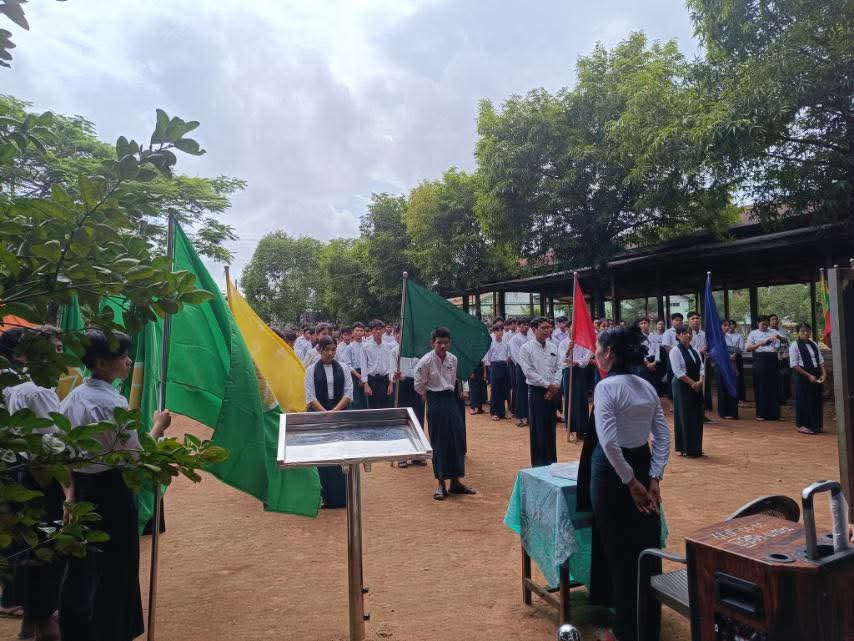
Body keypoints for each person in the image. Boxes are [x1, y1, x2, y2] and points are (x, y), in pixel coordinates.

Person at [59, 329, 171, 641]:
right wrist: (158, 426)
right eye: (122, 357)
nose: (128, 362)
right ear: (101, 363)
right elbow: (135, 457)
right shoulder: (112, 403)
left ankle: (78, 632)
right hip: (111, 491)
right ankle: (111, 631)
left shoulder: (72, 398)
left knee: (82, 567)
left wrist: (70, 494)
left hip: (82, 489)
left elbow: (61, 453)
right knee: (116, 568)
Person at [590, 327, 670, 641]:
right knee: (645, 549)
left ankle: (624, 632)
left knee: (619, 554)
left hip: (613, 474)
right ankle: (648, 628)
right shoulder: (646, 386)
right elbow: (662, 435)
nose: (596, 353)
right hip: (642, 464)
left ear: (610, 352)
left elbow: (609, 443)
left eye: (598, 348)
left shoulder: (606, 387)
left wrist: (631, 482)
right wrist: (654, 477)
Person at [0, 327, 66, 641]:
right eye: (55, 347)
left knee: (31, 544)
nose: (60, 352)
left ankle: (32, 621)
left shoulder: (20, 384)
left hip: (25, 468)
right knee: (46, 546)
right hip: (44, 472)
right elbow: (58, 438)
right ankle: (43, 619)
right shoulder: (36, 389)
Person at [414, 328, 475, 501]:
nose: (442, 346)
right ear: (432, 343)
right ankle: (441, 483)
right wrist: (428, 396)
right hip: (434, 400)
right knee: (439, 441)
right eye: (439, 342)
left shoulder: (453, 359)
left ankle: (455, 482)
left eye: (446, 342)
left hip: (451, 399)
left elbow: (455, 379)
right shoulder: (425, 361)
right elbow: (418, 384)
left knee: (456, 438)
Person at [305, 336, 353, 507]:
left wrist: (334, 412)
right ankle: (323, 496)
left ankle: (341, 497)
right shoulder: (311, 370)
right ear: (320, 350)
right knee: (322, 455)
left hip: (339, 414)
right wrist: (325, 413)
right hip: (319, 416)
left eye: (333, 350)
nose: (331, 353)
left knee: (340, 454)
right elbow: (310, 397)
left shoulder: (344, 368)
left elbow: (348, 393)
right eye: (327, 350)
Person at [518, 317, 561, 466]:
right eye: (543, 328)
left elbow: (559, 368)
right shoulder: (526, 348)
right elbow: (528, 372)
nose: (547, 330)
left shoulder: (553, 347)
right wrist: (547, 385)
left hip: (553, 391)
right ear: (534, 329)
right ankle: (539, 464)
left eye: (549, 327)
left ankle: (551, 462)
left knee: (551, 427)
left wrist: (555, 385)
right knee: (538, 429)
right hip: (536, 391)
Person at [391, 329, 427, 467]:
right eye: (400, 333)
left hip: (417, 385)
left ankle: (418, 454)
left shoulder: (420, 351)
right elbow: (391, 372)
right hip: (402, 387)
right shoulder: (395, 351)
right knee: (403, 419)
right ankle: (403, 455)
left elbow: (422, 371)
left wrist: (423, 390)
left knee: (418, 418)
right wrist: (394, 376)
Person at [670, 326, 705, 457]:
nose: (688, 335)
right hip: (682, 386)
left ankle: (696, 447)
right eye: (684, 333)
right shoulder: (675, 351)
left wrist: (700, 381)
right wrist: (692, 383)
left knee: (697, 415)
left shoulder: (694, 350)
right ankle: (686, 448)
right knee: (685, 415)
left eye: (690, 333)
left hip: (697, 385)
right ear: (678, 336)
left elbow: (701, 367)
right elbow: (678, 371)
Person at [790, 322, 826, 435]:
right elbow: (794, 364)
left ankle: (815, 425)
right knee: (804, 400)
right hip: (802, 375)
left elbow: (820, 360)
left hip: (815, 373)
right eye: (802, 331)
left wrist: (824, 373)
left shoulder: (813, 344)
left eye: (807, 331)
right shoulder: (794, 345)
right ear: (798, 333)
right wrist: (808, 375)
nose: (805, 333)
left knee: (815, 400)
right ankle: (802, 425)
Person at [746, 315, 781, 421]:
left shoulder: (773, 332)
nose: (765, 326)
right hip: (760, 360)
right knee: (761, 387)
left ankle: (774, 414)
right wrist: (761, 343)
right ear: (758, 323)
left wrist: (779, 338)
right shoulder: (753, 333)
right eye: (763, 324)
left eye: (767, 324)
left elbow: (783, 342)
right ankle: (761, 413)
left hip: (772, 359)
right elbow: (748, 348)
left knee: (774, 387)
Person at [558, 335, 592, 442]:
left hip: (580, 372)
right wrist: (568, 350)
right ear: (568, 329)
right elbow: (562, 360)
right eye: (571, 328)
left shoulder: (583, 342)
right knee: (570, 399)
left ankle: (582, 430)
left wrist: (578, 362)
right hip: (568, 372)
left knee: (582, 399)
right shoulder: (563, 343)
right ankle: (571, 430)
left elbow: (587, 358)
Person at [360, 319, 394, 409]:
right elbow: (363, 366)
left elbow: (390, 366)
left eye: (380, 329)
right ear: (371, 331)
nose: (378, 331)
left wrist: (391, 383)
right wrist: (366, 384)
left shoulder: (388, 346)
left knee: (385, 408)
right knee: (373, 408)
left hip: (385, 381)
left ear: (383, 330)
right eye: (375, 329)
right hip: (372, 381)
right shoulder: (365, 347)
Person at [484, 323, 511, 421]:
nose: (500, 332)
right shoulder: (491, 344)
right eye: (497, 330)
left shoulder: (505, 344)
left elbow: (508, 355)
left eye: (501, 330)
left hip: (504, 366)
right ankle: (494, 412)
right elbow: (487, 358)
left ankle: (502, 412)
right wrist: (488, 369)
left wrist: (506, 362)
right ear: (494, 332)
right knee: (495, 390)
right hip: (495, 366)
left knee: (503, 389)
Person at [509, 318, 531, 427]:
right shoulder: (515, 339)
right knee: (521, 392)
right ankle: (520, 416)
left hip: (531, 368)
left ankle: (529, 415)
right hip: (521, 368)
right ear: (519, 326)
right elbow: (515, 355)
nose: (526, 327)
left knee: (529, 392)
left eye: (527, 325)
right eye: (523, 325)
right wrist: (525, 366)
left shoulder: (530, 337)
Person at [717, 320, 740, 419]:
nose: (727, 327)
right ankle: (724, 412)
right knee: (723, 388)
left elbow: (736, 349)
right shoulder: (716, 338)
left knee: (732, 387)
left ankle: (733, 412)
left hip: (731, 365)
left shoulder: (729, 337)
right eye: (725, 325)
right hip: (721, 366)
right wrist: (727, 356)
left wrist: (733, 354)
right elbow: (715, 352)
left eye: (728, 325)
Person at [769, 314, 791, 403]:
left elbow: (786, 341)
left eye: (776, 319)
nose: (775, 321)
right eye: (773, 319)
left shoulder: (782, 330)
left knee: (785, 376)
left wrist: (779, 337)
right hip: (772, 357)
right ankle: (776, 397)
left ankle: (785, 396)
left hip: (783, 356)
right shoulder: (767, 331)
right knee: (775, 377)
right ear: (769, 321)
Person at [345, 323, 367, 410]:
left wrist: (364, 376)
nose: (359, 333)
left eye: (361, 330)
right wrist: (358, 376)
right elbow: (348, 364)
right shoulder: (349, 347)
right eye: (357, 330)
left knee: (366, 397)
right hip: (354, 374)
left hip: (366, 373)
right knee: (355, 398)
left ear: (364, 332)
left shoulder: (367, 345)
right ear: (353, 332)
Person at [726, 320, 746, 402]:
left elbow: (741, 348)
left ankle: (740, 397)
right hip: (726, 358)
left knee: (738, 377)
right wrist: (729, 355)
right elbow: (723, 348)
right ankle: (730, 396)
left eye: (732, 324)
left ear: (735, 326)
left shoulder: (739, 336)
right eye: (728, 325)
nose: (730, 326)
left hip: (737, 358)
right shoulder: (723, 336)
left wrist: (734, 354)